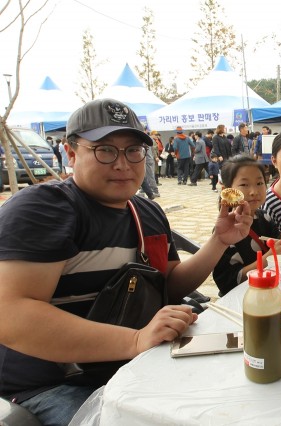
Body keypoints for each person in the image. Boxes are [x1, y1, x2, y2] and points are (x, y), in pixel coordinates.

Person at [0, 98, 253, 425]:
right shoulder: (45, 209)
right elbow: (12, 314)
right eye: (105, 150)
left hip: (134, 363)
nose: (123, 164)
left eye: (133, 150)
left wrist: (219, 242)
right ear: (72, 153)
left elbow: (170, 283)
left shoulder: (146, 212)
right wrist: (135, 340)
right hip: (53, 384)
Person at [212, 155, 281, 296]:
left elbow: (279, 244)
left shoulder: (264, 216)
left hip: (269, 289)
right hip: (244, 297)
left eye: (259, 183)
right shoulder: (225, 231)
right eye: (244, 185)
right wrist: (269, 257)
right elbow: (228, 281)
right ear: (227, 190)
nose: (254, 191)